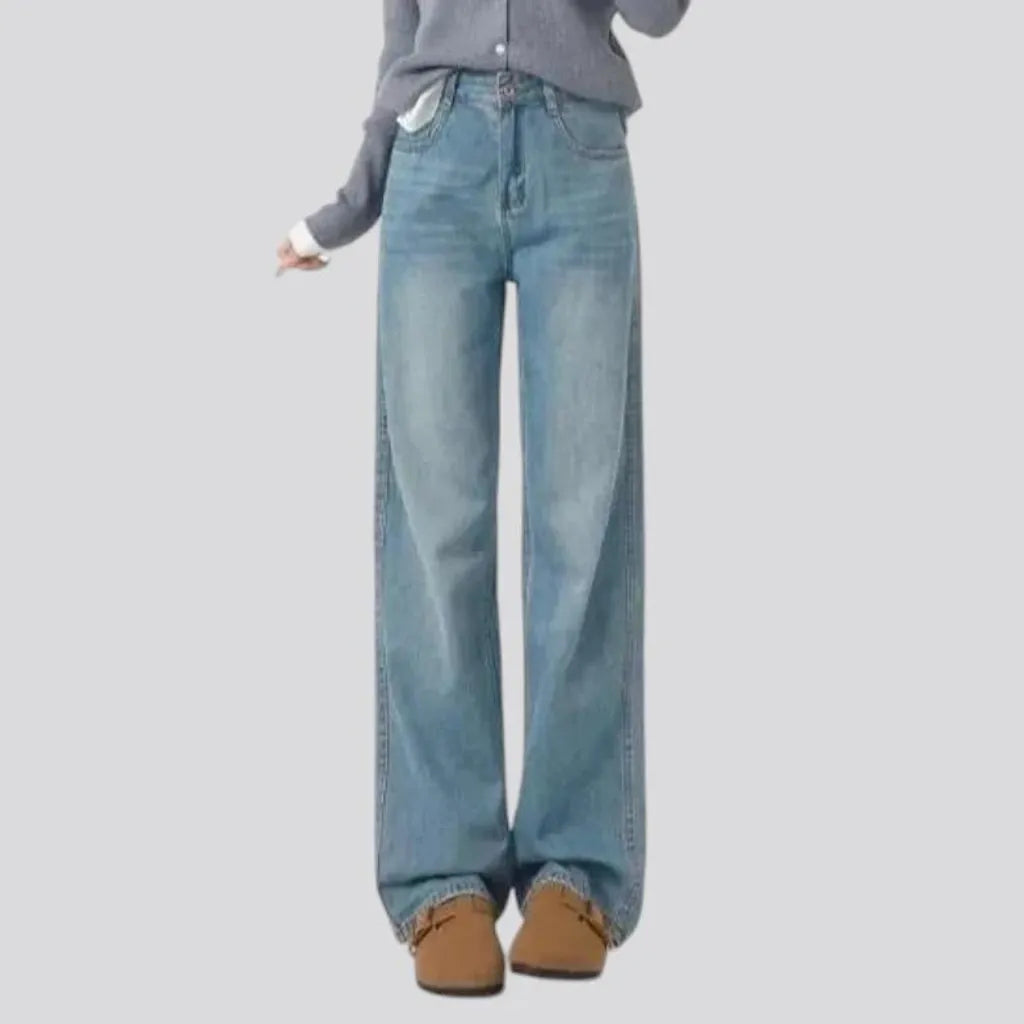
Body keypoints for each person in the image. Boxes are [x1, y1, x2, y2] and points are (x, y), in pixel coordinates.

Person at [276, 0, 691, 997]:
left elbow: (661, 15)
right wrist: (351, 201)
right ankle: (442, 876)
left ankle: (576, 870)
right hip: (436, 159)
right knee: (435, 531)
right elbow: (402, 39)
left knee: (582, 524)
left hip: (579, 154)